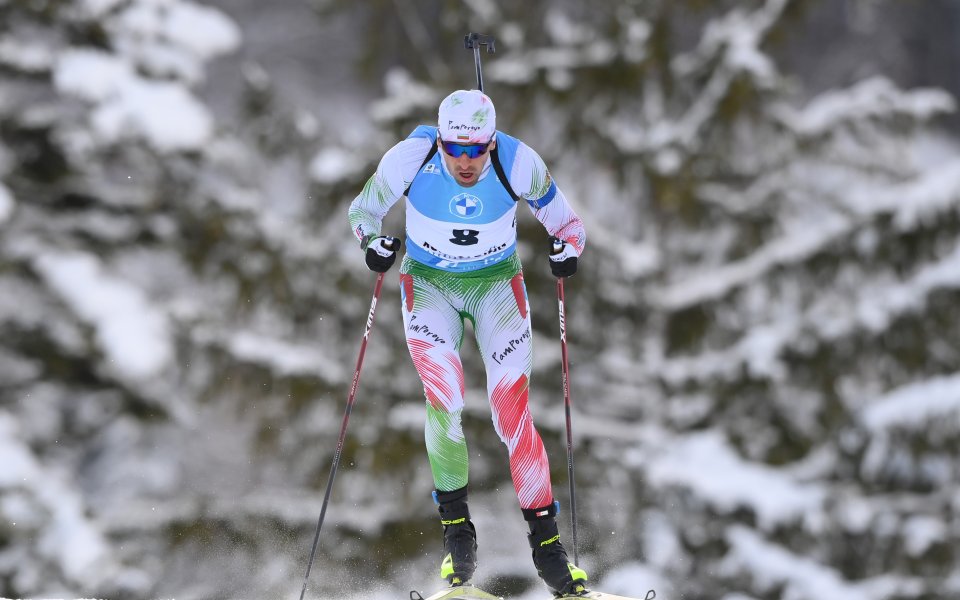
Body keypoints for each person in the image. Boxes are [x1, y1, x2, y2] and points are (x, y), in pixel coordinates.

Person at [348, 89, 588, 596]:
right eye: (454, 148)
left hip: (496, 285)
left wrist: (567, 250)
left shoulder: (518, 161)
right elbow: (363, 211)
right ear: (440, 138)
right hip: (429, 283)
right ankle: (457, 532)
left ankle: (549, 551)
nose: (464, 160)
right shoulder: (411, 158)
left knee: (510, 410)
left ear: (490, 141)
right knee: (446, 396)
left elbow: (567, 225)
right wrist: (373, 245)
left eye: (475, 149)